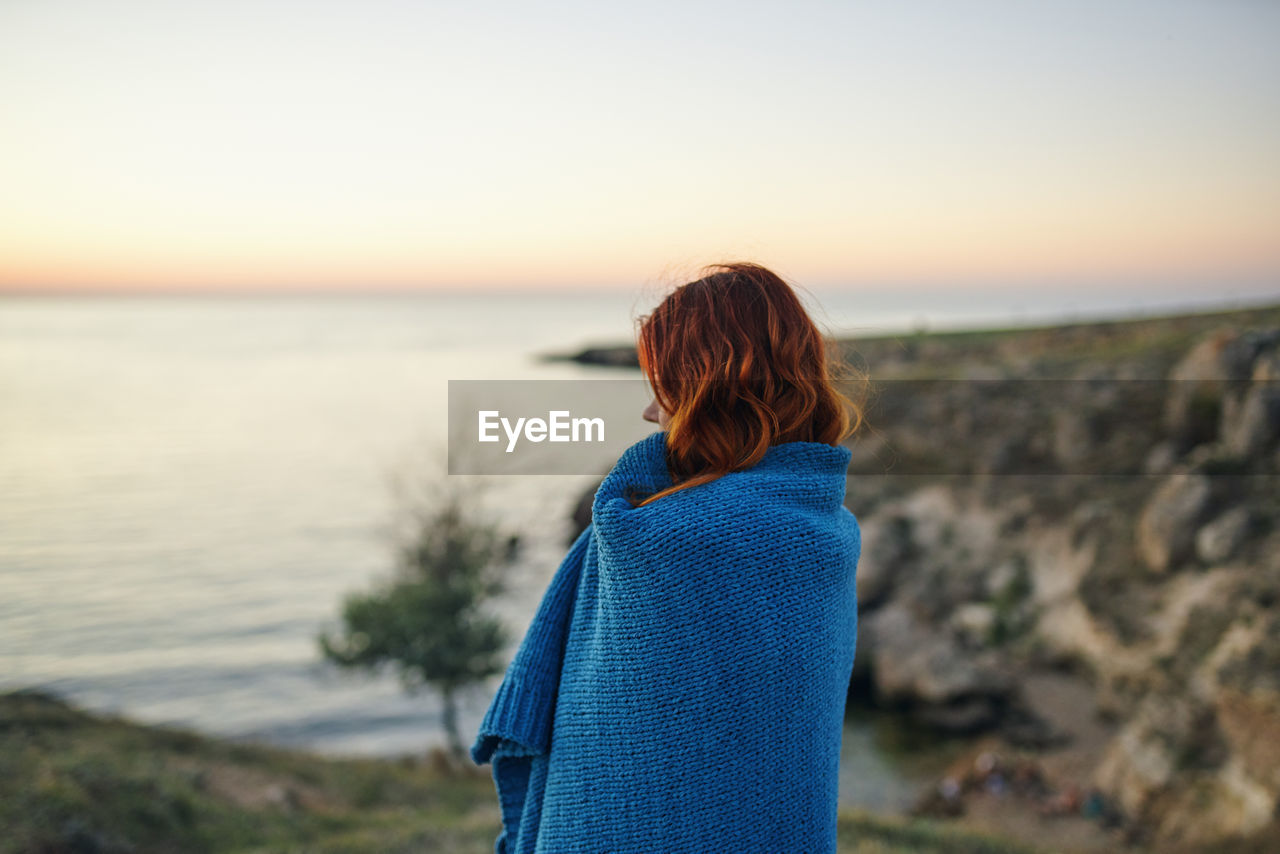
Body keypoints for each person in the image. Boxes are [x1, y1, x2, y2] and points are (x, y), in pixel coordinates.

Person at [471, 261, 869, 853]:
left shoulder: (662, 539)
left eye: (663, 388)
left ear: (707, 389)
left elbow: (616, 770)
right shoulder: (830, 532)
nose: (651, 413)